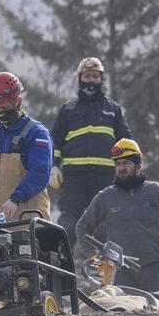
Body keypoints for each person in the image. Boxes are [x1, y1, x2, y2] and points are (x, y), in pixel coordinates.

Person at [76, 138, 159, 293]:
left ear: (138, 166)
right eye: (118, 164)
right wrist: (94, 257)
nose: (121, 168)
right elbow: (82, 227)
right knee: (122, 308)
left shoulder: (156, 191)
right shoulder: (106, 197)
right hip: (120, 273)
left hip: (153, 271)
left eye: (126, 163)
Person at [49, 57, 132, 247]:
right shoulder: (68, 109)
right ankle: (62, 262)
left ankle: (105, 265)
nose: (91, 80)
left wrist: (128, 167)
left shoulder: (113, 110)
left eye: (95, 76)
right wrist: (53, 166)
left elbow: (126, 141)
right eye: (87, 76)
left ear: (101, 79)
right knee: (69, 224)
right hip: (74, 178)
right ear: (80, 79)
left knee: (106, 226)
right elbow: (55, 140)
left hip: (104, 177)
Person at [0, 72, 53, 221]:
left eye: (5, 107)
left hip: (31, 224)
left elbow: (40, 174)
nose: (1, 113)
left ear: (18, 101)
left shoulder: (37, 134)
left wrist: (15, 199)